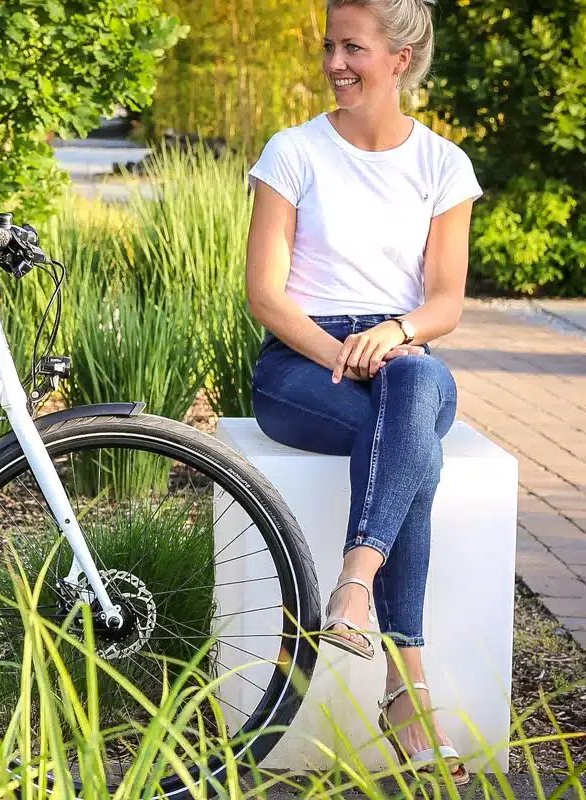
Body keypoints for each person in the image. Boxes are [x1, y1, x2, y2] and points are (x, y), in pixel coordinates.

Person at [243, 0, 481, 784]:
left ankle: (354, 584)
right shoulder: (293, 152)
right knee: (415, 455)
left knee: (415, 376)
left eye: (354, 48)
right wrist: (344, 356)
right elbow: (266, 294)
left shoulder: (443, 165)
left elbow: (445, 302)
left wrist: (396, 332)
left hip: (402, 356)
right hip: (302, 363)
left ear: (401, 59)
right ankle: (408, 696)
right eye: (329, 46)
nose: (335, 64)